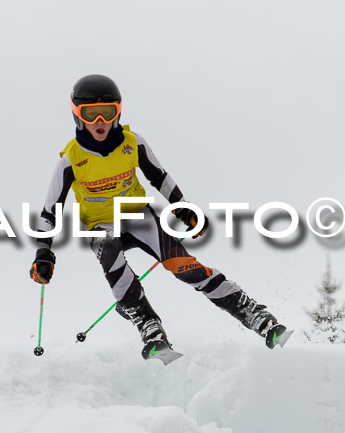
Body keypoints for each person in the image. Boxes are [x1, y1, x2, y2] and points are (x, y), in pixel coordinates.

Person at [29, 74, 291, 362]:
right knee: (109, 251)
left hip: (138, 216)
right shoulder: (70, 159)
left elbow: (159, 177)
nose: (100, 121)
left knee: (185, 267)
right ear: (77, 115)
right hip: (102, 225)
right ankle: (147, 323)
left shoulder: (132, 142)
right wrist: (44, 253)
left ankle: (253, 313)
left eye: (108, 112)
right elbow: (49, 211)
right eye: (91, 114)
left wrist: (183, 207)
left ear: (119, 111)